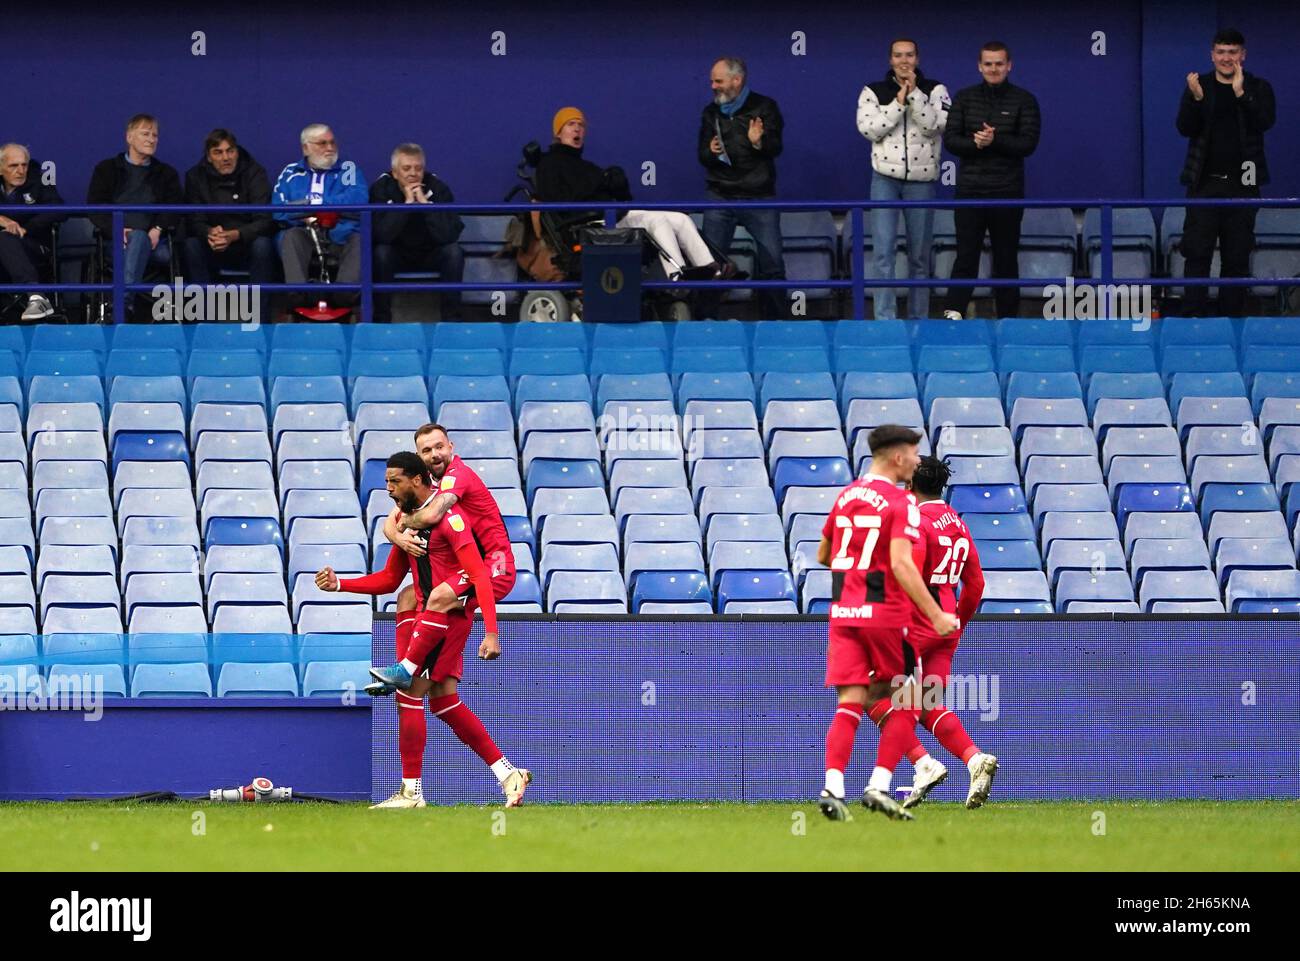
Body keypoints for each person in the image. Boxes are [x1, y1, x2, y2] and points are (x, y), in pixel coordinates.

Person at [315, 452, 530, 810]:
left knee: (409, 695)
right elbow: (388, 579)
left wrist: (491, 632)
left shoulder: (452, 520)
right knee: (444, 701)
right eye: (386, 482)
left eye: (394, 481)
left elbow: (479, 575)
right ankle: (508, 773)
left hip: (448, 621)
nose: (387, 489)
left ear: (416, 480)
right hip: (431, 621)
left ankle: (411, 792)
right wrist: (341, 585)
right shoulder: (407, 525)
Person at [815, 425, 959, 822]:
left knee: (851, 700)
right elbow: (900, 562)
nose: (917, 461)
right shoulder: (901, 503)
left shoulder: (846, 497)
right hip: (885, 615)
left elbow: (824, 553)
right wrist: (936, 614)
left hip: (844, 613)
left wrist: (859, 569)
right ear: (897, 456)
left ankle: (833, 786)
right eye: (914, 453)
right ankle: (879, 784)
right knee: (913, 699)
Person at [535, 108, 738, 283]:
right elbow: (558, 199)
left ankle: (713, 269)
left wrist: (619, 185)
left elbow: (623, 197)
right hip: (588, 224)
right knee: (656, 219)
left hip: (613, 215)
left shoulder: (587, 167)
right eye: (571, 124)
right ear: (559, 132)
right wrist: (600, 181)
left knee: (681, 219)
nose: (578, 128)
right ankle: (676, 276)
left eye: (581, 125)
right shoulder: (549, 164)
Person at [899, 455, 996, 810]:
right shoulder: (956, 521)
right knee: (927, 704)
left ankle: (923, 764)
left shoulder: (919, 522)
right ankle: (974, 760)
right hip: (947, 625)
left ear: (910, 487)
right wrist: (957, 623)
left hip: (917, 621)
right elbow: (976, 583)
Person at [1176, 27, 1275, 318]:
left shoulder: (1258, 87)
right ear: (1212, 54)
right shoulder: (1199, 85)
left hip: (1243, 184)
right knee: (1197, 255)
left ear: (1242, 54)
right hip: (1203, 184)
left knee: (1236, 259)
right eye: (1221, 52)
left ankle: (1232, 321)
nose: (1226, 57)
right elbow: (1184, 128)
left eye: (1232, 52)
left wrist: (1241, 94)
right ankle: (1193, 318)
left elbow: (1265, 121)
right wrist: (1195, 100)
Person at [940, 42, 1040, 319]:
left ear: (1009, 65)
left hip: (1007, 192)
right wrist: (977, 143)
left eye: (999, 63)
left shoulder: (1025, 100)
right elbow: (951, 140)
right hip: (970, 192)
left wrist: (996, 140)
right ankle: (953, 314)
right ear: (979, 66)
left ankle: (1008, 319)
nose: (993, 69)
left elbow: (1028, 144)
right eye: (988, 64)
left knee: (1006, 258)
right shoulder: (963, 97)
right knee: (966, 256)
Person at [857, 38, 950, 320]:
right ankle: (885, 320)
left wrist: (914, 94)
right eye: (898, 56)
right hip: (885, 179)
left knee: (919, 256)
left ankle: (919, 318)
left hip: (922, 181)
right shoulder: (872, 91)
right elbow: (870, 130)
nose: (904, 61)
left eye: (909, 55)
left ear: (917, 59)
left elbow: (936, 125)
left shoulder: (935, 89)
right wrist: (898, 102)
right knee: (883, 252)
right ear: (890, 60)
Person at [696, 56, 788, 318]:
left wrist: (758, 142)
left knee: (772, 265)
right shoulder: (709, 112)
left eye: (718, 80)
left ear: (737, 80)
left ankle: (777, 325)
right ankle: (705, 323)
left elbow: (776, 147)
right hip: (720, 196)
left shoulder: (765, 107)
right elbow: (701, 155)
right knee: (709, 266)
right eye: (712, 81)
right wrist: (710, 152)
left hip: (759, 197)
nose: (713, 85)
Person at [86, 114, 183, 302]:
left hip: (155, 245)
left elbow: (174, 208)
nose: (151, 139)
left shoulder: (166, 173)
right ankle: (126, 303)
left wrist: (157, 229)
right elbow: (95, 207)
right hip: (114, 243)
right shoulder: (106, 169)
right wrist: (116, 230)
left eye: (155, 135)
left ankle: (123, 304)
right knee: (135, 238)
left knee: (139, 237)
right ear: (129, 137)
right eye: (146, 134)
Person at [370, 143, 465, 322]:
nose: (413, 173)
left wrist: (426, 206)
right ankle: (381, 320)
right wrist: (406, 206)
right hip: (397, 254)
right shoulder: (380, 189)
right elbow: (382, 235)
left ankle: (452, 321)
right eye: (406, 168)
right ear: (395, 172)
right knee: (381, 252)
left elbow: (448, 236)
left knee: (453, 252)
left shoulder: (438, 188)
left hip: (430, 253)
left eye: (418, 168)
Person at [271, 124, 367, 302]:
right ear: (306, 148)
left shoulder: (348, 168)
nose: (330, 148)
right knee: (290, 236)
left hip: (341, 234)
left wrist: (316, 205)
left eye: (332, 142)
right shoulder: (291, 172)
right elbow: (278, 211)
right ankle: (297, 297)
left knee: (360, 239)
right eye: (322, 143)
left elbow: (358, 199)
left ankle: (344, 297)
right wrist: (307, 213)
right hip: (305, 233)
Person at [181, 129, 277, 290]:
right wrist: (209, 232)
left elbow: (264, 220)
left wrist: (235, 235)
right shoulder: (195, 176)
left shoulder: (255, 173)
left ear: (237, 152)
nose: (226, 158)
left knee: (263, 245)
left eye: (230, 151)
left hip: (246, 243)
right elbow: (193, 219)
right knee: (191, 245)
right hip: (213, 242)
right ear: (209, 157)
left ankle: (259, 314)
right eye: (218, 153)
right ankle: (204, 312)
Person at [0, 143, 65, 321]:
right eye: (13, 166)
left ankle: (36, 296)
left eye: (24, 165)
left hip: (34, 247)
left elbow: (60, 210)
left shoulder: (38, 182)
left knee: (4, 237)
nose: (20, 170)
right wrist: (3, 220)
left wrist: (26, 229)